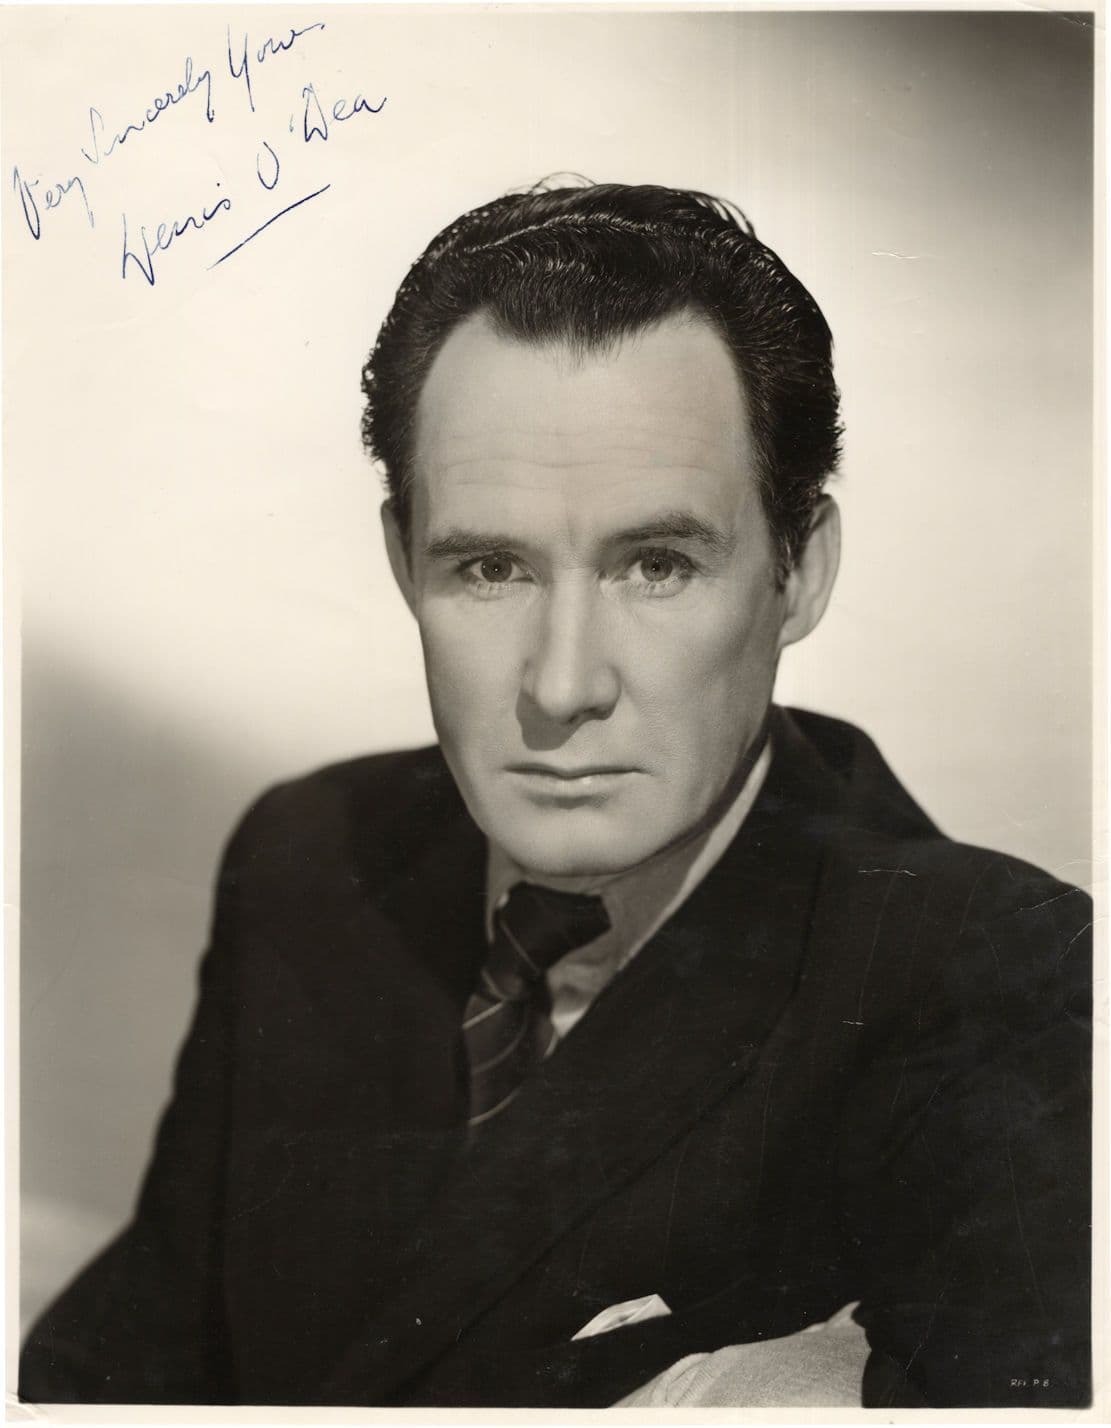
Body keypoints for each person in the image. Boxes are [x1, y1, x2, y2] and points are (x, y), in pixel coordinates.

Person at [19, 180, 1091, 1409]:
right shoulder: (311, 854)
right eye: (489, 567)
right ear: (400, 561)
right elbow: (112, 1371)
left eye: (657, 564)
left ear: (799, 572)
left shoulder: (990, 986)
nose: (562, 685)